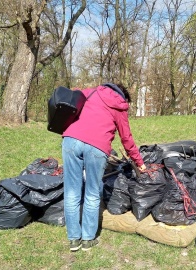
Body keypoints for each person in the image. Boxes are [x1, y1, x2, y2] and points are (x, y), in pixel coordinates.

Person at [62, 83, 146, 252]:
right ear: (123, 97)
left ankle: (73, 239)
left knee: (72, 191)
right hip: (97, 147)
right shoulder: (120, 106)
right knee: (92, 192)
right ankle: (87, 239)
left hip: (71, 140)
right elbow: (126, 139)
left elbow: (70, 102)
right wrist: (140, 162)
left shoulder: (90, 92)